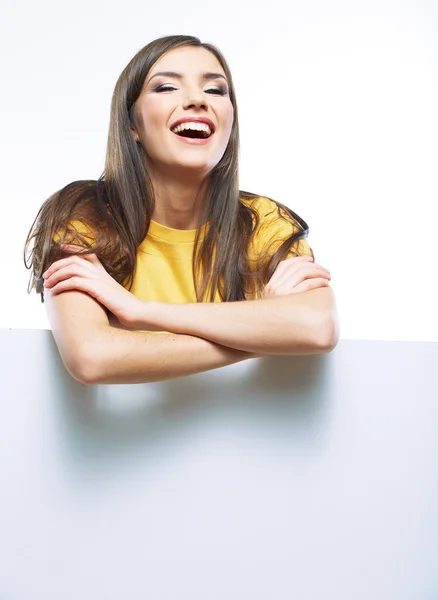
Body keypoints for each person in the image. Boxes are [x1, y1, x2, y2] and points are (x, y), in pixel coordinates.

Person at [24, 34, 339, 385]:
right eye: (166, 88)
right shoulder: (85, 216)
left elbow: (316, 328)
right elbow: (92, 358)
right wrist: (268, 332)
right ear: (132, 126)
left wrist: (142, 312)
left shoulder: (264, 222)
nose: (196, 100)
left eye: (216, 91)